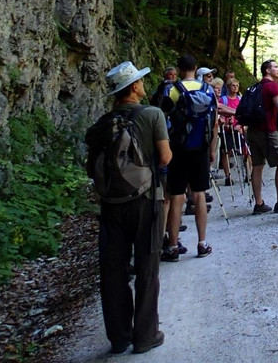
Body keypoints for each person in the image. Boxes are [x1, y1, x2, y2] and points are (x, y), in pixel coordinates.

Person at [88, 61, 171, 355]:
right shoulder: (152, 114)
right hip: (146, 201)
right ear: (134, 87)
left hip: (111, 204)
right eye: (140, 80)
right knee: (148, 267)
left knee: (113, 270)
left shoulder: (102, 124)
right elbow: (164, 157)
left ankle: (120, 337)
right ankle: (146, 335)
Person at [162, 54, 215, 261]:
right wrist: (211, 149)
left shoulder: (173, 90)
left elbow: (164, 119)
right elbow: (214, 121)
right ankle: (202, 243)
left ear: (180, 69)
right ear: (195, 68)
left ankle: (173, 246)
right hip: (201, 147)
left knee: (177, 196)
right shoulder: (208, 90)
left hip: (178, 149)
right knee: (200, 194)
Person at [246, 59, 278, 214]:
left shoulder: (256, 87)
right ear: (267, 70)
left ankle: (259, 204)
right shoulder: (272, 86)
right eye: (275, 67)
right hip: (268, 130)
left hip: (253, 131)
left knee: (257, 166)